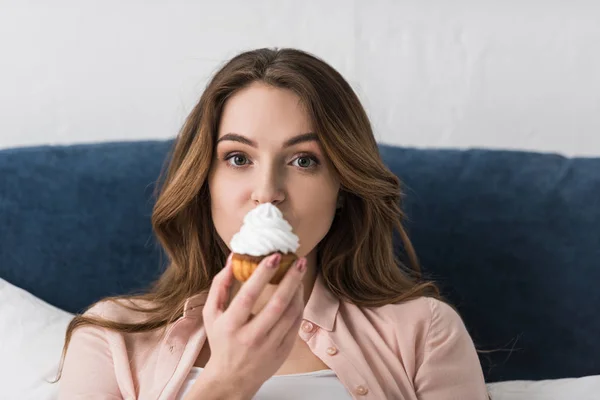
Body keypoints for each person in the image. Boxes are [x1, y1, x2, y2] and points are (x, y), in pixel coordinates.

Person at [55, 47, 489, 399]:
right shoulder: (112, 341)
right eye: (238, 158)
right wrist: (227, 383)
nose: (267, 191)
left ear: (342, 190)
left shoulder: (423, 332)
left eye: (303, 160)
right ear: (203, 182)